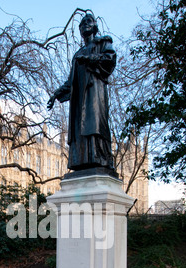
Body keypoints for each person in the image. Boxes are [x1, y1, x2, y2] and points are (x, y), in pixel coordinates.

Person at [47, 13, 117, 175]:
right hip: (78, 101)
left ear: (95, 25)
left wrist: (90, 58)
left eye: (89, 21)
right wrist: (56, 94)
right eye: (82, 23)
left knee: (94, 126)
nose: (85, 24)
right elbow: (71, 82)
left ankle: (99, 159)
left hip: (94, 94)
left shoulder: (103, 42)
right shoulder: (77, 55)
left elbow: (109, 59)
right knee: (80, 130)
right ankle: (83, 161)